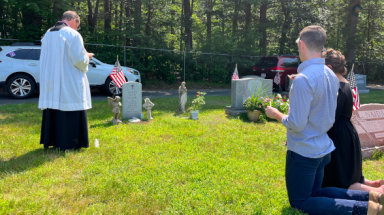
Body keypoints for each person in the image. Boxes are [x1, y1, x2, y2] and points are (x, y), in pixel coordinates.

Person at [265, 25, 384, 215]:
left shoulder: (303, 80)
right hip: (324, 148)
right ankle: (373, 198)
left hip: (304, 151)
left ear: (302, 44)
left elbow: (296, 124)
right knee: (317, 192)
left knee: (300, 202)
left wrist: (275, 114)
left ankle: (367, 210)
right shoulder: (330, 74)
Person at [321, 49, 384, 193]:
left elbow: (331, 118)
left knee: (343, 181)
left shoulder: (338, 88)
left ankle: (379, 193)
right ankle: (376, 185)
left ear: (329, 68)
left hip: (339, 136)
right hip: (347, 132)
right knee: (351, 175)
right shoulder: (344, 83)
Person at [39, 11, 94, 151]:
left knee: (54, 107)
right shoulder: (72, 34)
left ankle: (53, 140)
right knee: (69, 104)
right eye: (78, 25)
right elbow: (78, 59)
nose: (77, 28)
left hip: (51, 80)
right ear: (75, 20)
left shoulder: (48, 33)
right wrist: (87, 57)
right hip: (67, 79)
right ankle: (70, 143)